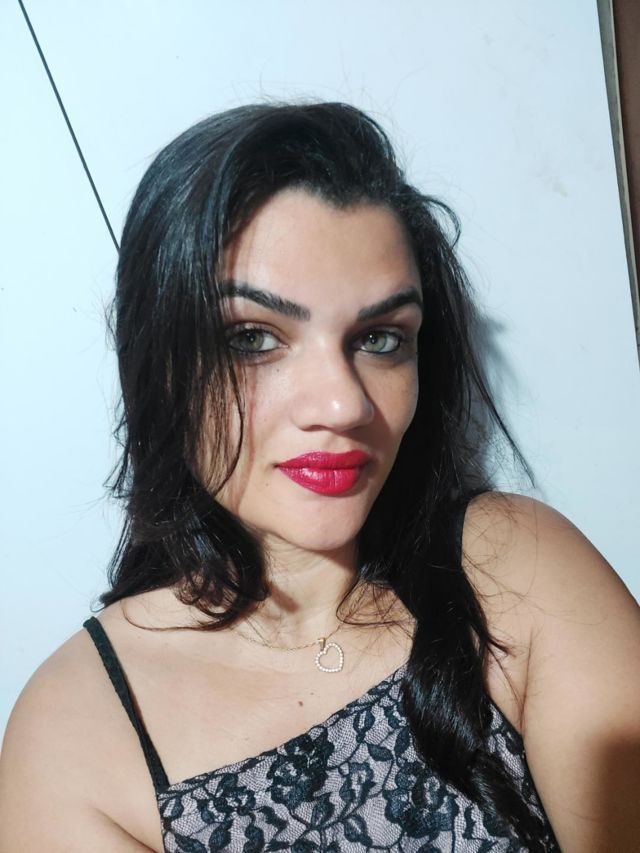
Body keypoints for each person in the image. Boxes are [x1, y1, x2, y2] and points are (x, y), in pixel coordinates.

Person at [1, 102, 638, 853]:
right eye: (252, 337)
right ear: (159, 363)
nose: (344, 404)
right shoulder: (79, 733)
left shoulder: (512, 568)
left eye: (380, 338)